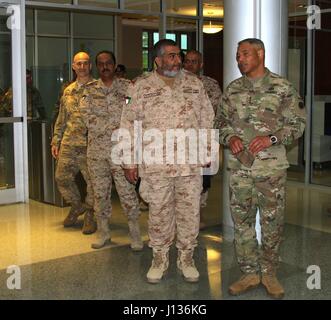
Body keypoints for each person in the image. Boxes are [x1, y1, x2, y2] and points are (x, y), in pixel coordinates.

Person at [214, 38, 306, 299]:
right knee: (241, 222)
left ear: (260, 54)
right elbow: (219, 121)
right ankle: (249, 272)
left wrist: (271, 138)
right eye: (237, 54)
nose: (240, 59)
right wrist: (228, 136)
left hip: (271, 170)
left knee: (271, 222)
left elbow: (298, 124)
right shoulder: (232, 90)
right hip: (240, 168)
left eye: (245, 54)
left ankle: (269, 273)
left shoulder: (282, 87)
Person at [121, 39, 214, 283]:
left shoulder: (194, 84)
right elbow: (128, 125)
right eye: (171, 56)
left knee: (189, 212)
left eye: (178, 55)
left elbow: (207, 118)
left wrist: (208, 151)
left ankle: (186, 259)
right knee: (159, 213)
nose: (177, 60)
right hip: (156, 165)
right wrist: (129, 161)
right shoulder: (141, 86)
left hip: (189, 164)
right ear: (158, 60)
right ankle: (159, 259)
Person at [79, 50, 143, 251]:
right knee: (100, 195)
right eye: (101, 63)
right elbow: (87, 118)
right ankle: (104, 233)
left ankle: (135, 234)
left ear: (115, 65)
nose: (105, 66)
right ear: (97, 67)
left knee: (127, 194)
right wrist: (115, 126)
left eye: (108, 63)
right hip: (97, 153)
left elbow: (134, 114)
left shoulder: (128, 88)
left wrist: (122, 129)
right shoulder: (89, 90)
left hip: (122, 153)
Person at [51, 52, 96, 235]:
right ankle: (77, 206)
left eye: (85, 63)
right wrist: (56, 140)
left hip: (90, 144)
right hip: (69, 143)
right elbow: (62, 118)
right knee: (61, 177)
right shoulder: (68, 90)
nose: (82, 66)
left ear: (90, 66)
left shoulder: (98, 88)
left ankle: (91, 214)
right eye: (79, 63)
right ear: (73, 66)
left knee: (93, 182)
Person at [183, 49, 223, 220]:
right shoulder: (176, 83)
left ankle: (198, 215)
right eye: (187, 61)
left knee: (203, 182)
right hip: (181, 142)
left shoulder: (211, 84)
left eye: (194, 61)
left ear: (201, 65)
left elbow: (217, 110)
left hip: (203, 141)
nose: (190, 64)